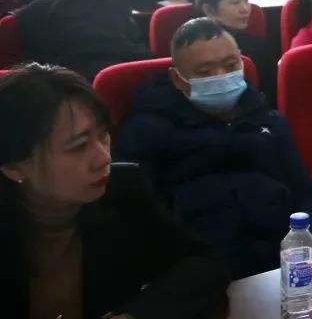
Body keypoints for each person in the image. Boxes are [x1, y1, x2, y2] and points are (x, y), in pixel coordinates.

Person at [0, 64, 231, 317]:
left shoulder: (122, 189)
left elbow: (204, 264)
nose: (104, 158)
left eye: (103, 135)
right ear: (14, 167)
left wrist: (136, 315)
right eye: (79, 146)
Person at [114, 19, 312, 278]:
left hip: (284, 265)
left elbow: (305, 195)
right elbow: (138, 223)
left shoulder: (268, 120)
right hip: (204, 275)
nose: (220, 77)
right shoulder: (146, 131)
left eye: (230, 66)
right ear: (177, 79)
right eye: (205, 72)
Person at [195, 0, 277, 104]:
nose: (245, 8)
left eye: (246, 0)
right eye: (235, 2)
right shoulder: (194, 51)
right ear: (209, 10)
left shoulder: (259, 47)